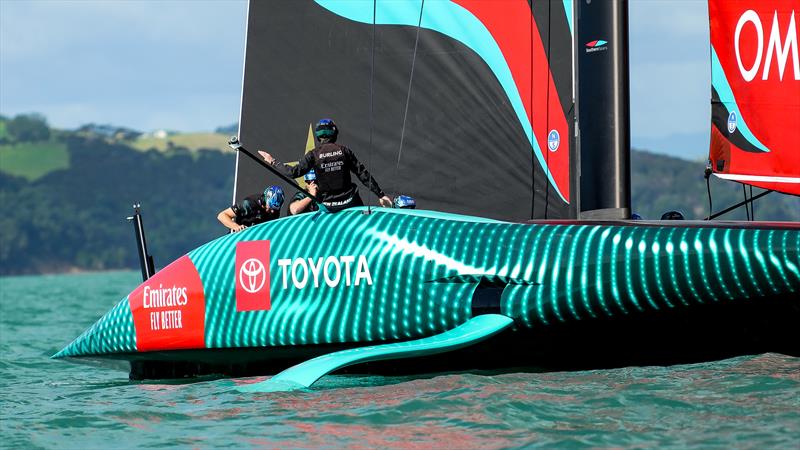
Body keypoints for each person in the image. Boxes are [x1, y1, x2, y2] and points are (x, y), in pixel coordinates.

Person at [258, 118, 392, 212]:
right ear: (335, 134)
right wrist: (381, 195)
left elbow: (293, 172)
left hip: (327, 207)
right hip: (350, 203)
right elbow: (363, 174)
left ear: (318, 137)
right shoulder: (344, 151)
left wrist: (272, 161)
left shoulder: (313, 154)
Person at [217, 185, 284, 232]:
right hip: (240, 239)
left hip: (258, 241)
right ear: (265, 200)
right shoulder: (249, 204)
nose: (272, 211)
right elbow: (222, 215)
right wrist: (236, 227)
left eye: (275, 209)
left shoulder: (275, 211)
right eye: (270, 207)